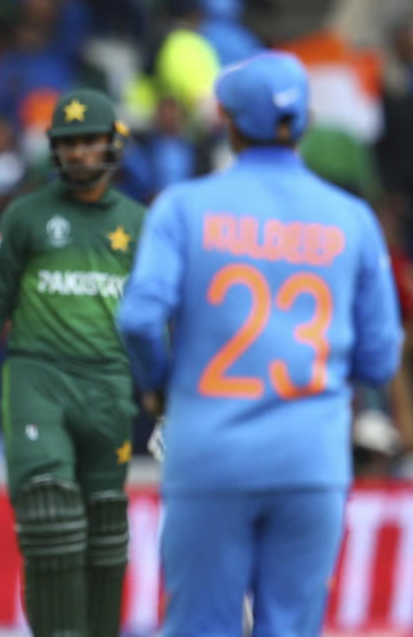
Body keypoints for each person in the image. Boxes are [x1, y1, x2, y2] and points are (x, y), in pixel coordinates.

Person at [118, 51, 403, 636]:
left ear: (225, 119)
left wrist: (161, 389)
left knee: (201, 627)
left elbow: (140, 320)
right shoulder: (353, 220)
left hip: (210, 455)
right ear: (305, 121)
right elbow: (380, 359)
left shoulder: (183, 208)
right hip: (311, 461)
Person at [0, 87, 144, 636]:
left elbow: (157, 318)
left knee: (106, 526)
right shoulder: (27, 214)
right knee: (50, 519)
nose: (79, 153)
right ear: (54, 149)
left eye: (90, 141)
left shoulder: (138, 221)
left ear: (113, 143)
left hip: (110, 385)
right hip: (38, 380)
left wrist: (166, 398)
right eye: (69, 143)